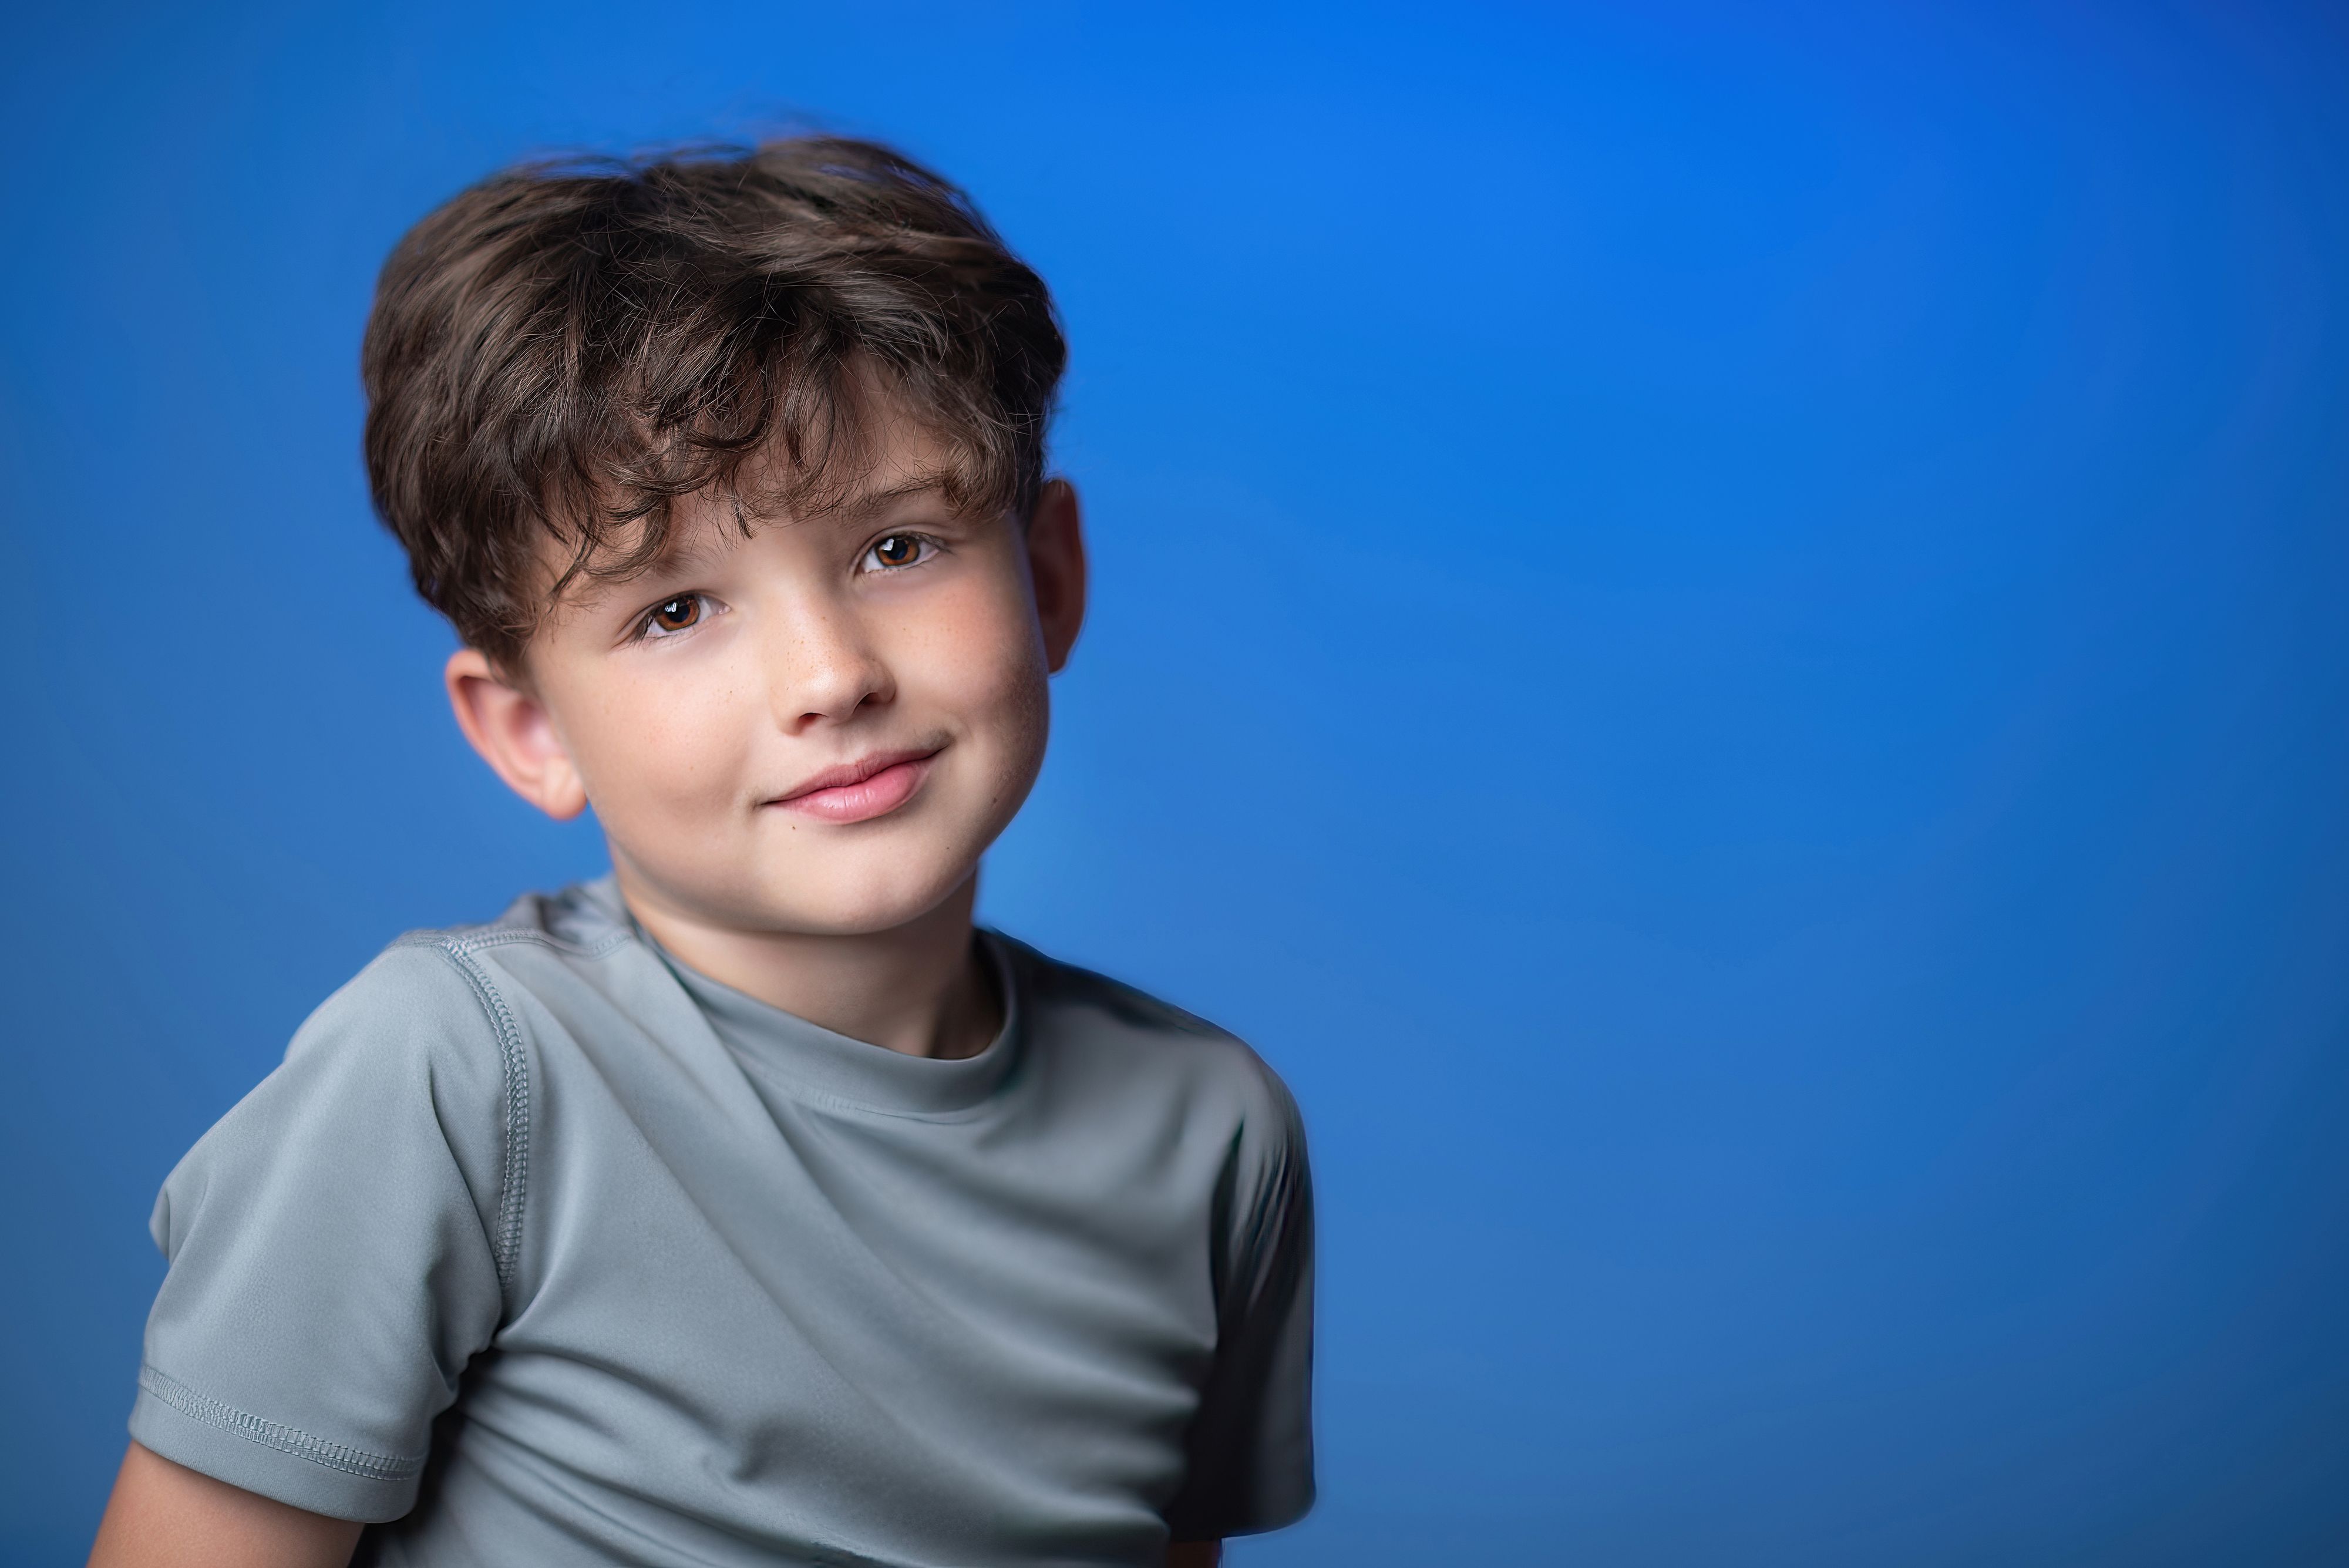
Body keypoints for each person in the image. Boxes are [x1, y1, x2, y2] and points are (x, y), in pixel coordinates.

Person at [86, 136, 1313, 1568]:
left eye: (898, 548)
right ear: (530, 729)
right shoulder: (458, 1079)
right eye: (673, 610)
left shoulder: (1209, 1133)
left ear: (1046, 578)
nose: (827, 675)